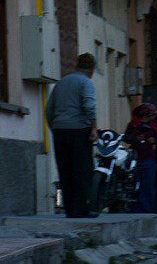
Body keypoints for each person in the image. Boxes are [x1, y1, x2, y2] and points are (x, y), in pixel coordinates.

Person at [46, 53, 98, 218]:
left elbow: (49, 110)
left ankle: (69, 209)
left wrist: (55, 128)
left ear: (77, 66)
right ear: (91, 69)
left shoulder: (61, 82)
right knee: (81, 170)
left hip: (60, 131)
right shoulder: (85, 82)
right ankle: (81, 209)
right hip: (79, 130)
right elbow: (89, 106)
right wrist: (94, 128)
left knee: (65, 170)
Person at [124, 103, 157, 213]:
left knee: (148, 185)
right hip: (136, 158)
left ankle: (146, 209)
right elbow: (127, 138)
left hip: (148, 158)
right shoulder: (133, 125)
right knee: (134, 183)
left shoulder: (153, 126)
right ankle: (135, 207)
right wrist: (137, 139)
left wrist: (153, 140)